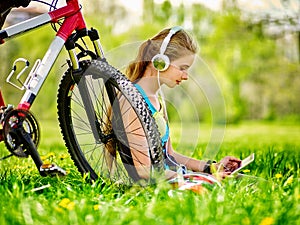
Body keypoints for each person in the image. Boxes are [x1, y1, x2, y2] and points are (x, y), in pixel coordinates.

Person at [123, 26, 241, 182]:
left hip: (177, 178)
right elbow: (144, 170)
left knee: (242, 180)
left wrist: (210, 168)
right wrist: (203, 179)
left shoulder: (157, 100)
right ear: (159, 62)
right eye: (182, 68)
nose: (185, 76)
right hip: (165, 185)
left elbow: (169, 155)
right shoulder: (133, 101)